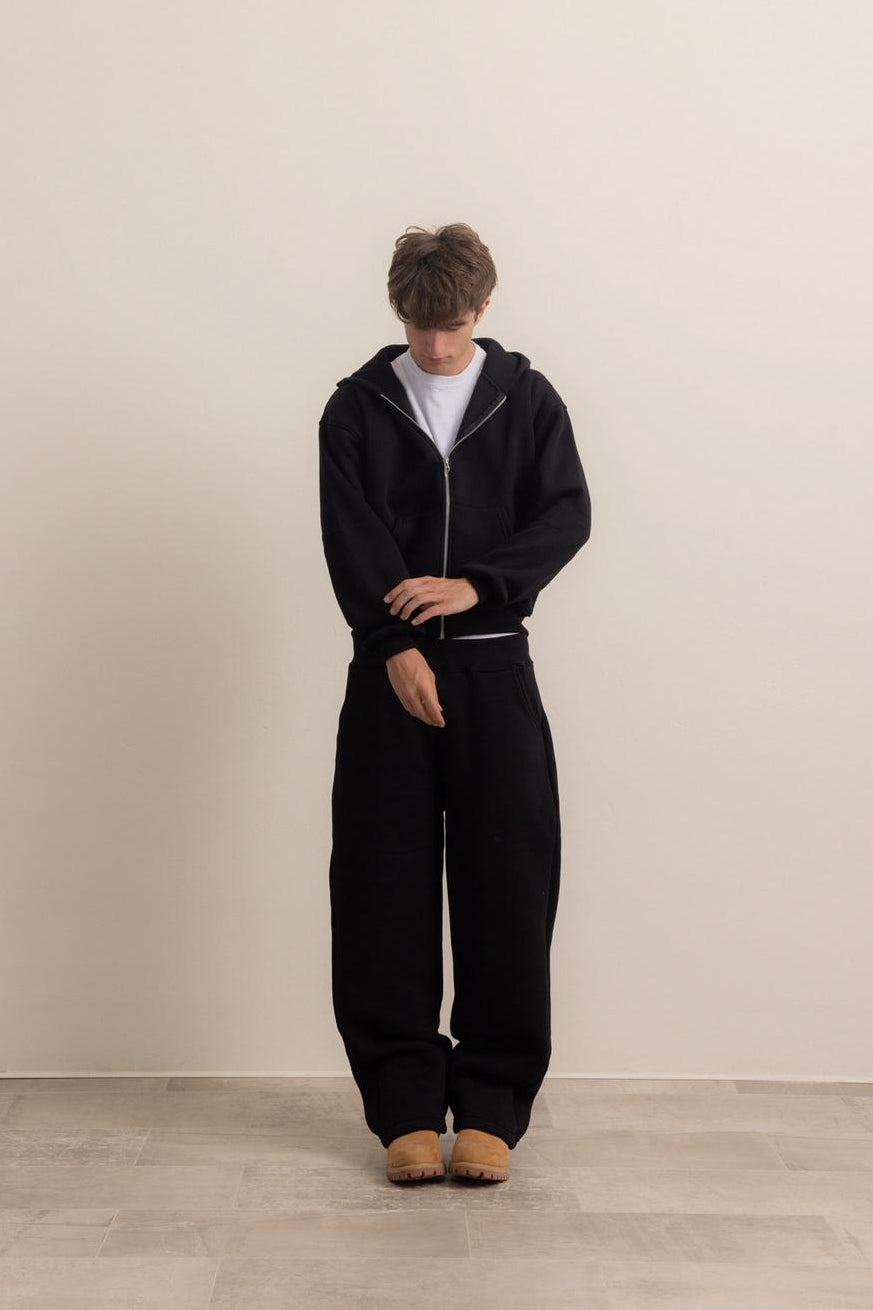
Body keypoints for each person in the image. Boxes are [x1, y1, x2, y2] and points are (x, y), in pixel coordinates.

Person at [318, 222, 592, 1184]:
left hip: (493, 675)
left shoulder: (527, 399)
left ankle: (489, 1109)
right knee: (380, 890)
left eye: (454, 324)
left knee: (507, 886)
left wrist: (477, 584)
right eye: (419, 325)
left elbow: (566, 513)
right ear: (399, 312)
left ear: (483, 307)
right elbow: (348, 532)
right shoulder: (356, 407)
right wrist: (390, 645)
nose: (436, 345)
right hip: (388, 681)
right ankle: (401, 1109)